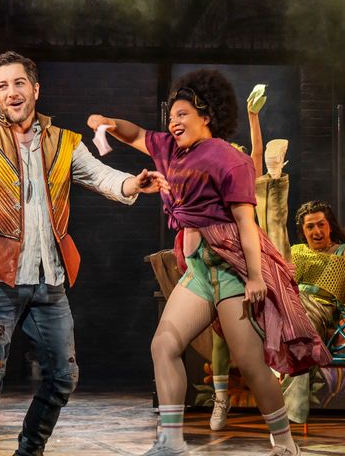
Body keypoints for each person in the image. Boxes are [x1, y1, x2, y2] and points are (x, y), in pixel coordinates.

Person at [0, 51, 165, 456]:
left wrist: (133, 183)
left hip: (49, 280)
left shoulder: (64, 142)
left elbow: (101, 176)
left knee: (63, 375)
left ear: (35, 89)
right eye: (2, 86)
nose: (11, 92)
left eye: (18, 83)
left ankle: (30, 450)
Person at [89, 69, 329, 456]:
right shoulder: (167, 148)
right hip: (199, 269)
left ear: (207, 116)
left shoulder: (228, 160)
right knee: (164, 344)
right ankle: (170, 441)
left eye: (183, 114)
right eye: (171, 116)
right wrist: (107, 123)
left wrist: (254, 277)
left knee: (251, 365)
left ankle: (283, 441)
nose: (174, 122)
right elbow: (133, 134)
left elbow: (247, 225)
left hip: (231, 266)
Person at [210, 87, 292, 431]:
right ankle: (220, 399)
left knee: (267, 321)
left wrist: (253, 117)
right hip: (222, 257)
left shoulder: (244, 175)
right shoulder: (211, 182)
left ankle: (275, 391)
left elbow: (256, 151)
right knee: (220, 333)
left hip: (252, 256)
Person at [281, 201, 345, 423]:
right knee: (292, 316)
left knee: (300, 316)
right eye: (310, 227)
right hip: (293, 306)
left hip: (320, 307)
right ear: (303, 231)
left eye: (321, 224)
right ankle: (292, 410)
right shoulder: (296, 252)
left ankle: (289, 410)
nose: (317, 231)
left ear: (330, 226)